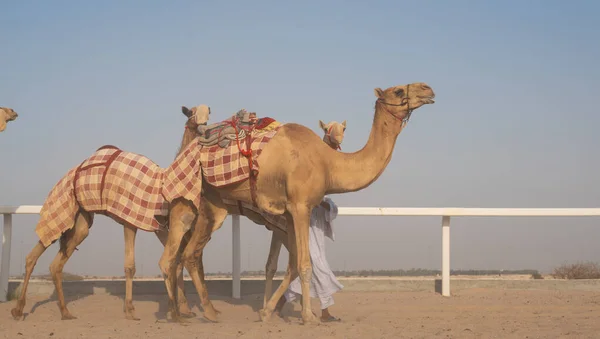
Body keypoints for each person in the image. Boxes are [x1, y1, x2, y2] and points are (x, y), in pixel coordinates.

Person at [275, 196, 343, 322]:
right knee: (322, 273)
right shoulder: (303, 200)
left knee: (302, 280)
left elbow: (333, 210)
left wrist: (319, 200)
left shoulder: (325, 200)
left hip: (318, 244)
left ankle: (277, 306)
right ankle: (325, 313)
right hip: (306, 242)